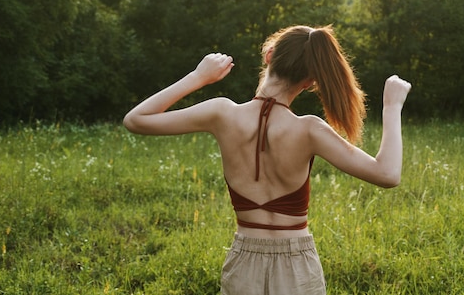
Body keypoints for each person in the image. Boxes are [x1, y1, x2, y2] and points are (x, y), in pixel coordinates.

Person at [123, 25, 411, 295]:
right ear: (311, 81)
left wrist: (199, 76)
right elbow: (387, 174)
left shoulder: (222, 113)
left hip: (243, 263)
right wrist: (392, 106)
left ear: (269, 56)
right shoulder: (309, 129)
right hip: (298, 266)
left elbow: (136, 120)